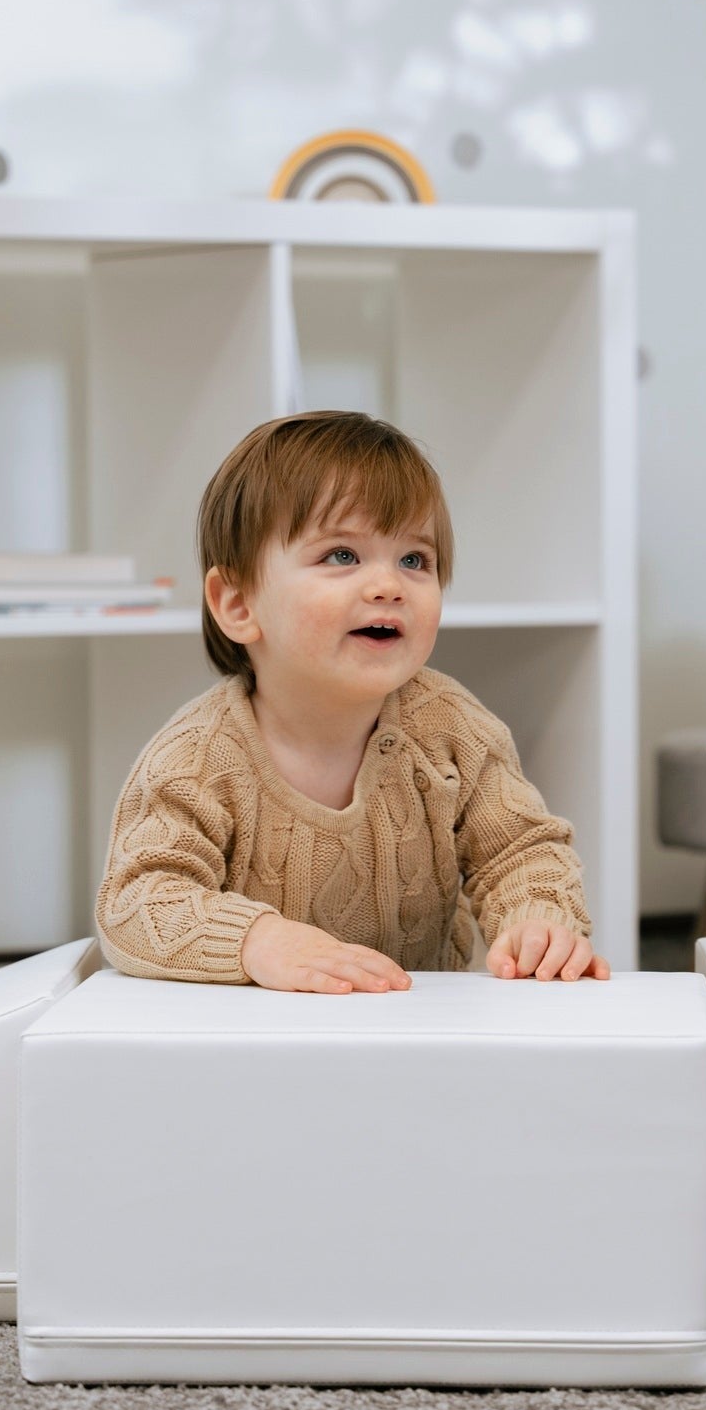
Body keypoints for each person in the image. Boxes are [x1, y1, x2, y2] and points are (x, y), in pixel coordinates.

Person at [94, 409, 610, 995]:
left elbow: (520, 851)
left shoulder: (451, 727)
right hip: (252, 1036)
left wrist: (538, 919)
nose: (389, 585)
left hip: (416, 1026)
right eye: (342, 555)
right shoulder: (197, 757)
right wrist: (258, 941)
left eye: (415, 560)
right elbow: (138, 900)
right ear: (238, 604)